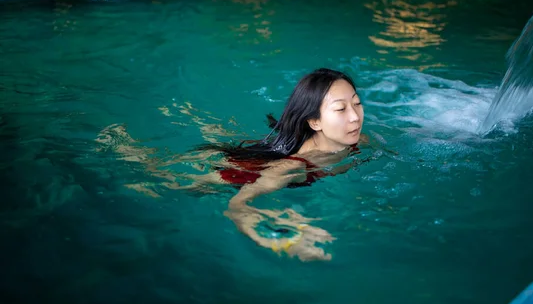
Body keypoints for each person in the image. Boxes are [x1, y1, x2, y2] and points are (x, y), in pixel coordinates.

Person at [97, 68, 366, 261]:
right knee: (170, 182)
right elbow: (238, 206)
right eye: (341, 109)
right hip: (242, 173)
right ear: (314, 122)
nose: (355, 117)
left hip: (267, 156)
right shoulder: (292, 167)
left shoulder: (355, 139)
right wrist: (283, 238)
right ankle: (121, 147)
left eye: (357, 103)